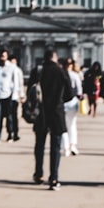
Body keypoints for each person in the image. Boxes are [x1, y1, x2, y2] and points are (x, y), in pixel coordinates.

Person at [31, 49, 70, 190]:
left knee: (39, 144)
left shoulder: (38, 71)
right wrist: (59, 100)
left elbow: (30, 91)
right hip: (56, 112)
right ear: (55, 58)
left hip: (41, 112)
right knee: (55, 146)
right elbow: (70, 94)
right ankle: (54, 177)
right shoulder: (61, 72)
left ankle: (39, 173)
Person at [60, 56, 82, 156]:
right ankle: (73, 145)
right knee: (72, 124)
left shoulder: (60, 75)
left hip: (62, 103)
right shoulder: (75, 75)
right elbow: (79, 90)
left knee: (63, 126)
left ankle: (65, 147)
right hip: (72, 102)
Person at [7, 54, 25, 142]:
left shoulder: (18, 71)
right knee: (10, 116)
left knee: (13, 116)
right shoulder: (9, 70)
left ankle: (14, 133)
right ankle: (11, 133)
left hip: (15, 96)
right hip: (8, 95)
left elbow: (21, 84)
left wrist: (22, 95)